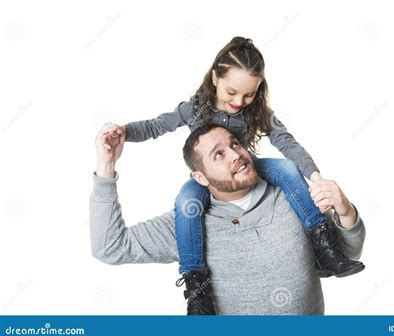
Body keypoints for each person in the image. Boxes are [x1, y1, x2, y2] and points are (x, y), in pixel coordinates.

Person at [102, 36, 364, 314]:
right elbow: (156, 126)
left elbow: (287, 143)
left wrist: (316, 177)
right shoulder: (193, 108)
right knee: (184, 204)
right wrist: (125, 132)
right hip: (210, 181)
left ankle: (323, 244)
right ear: (215, 77)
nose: (239, 102)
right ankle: (196, 289)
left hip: (249, 168)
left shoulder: (259, 112)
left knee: (287, 168)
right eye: (231, 92)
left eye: (249, 95)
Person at [91, 123, 366, 315]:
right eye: (219, 155)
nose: (236, 155)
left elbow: (345, 254)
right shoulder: (188, 224)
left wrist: (345, 211)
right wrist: (106, 168)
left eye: (235, 144)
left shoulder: (293, 196)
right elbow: (110, 247)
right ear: (200, 177)